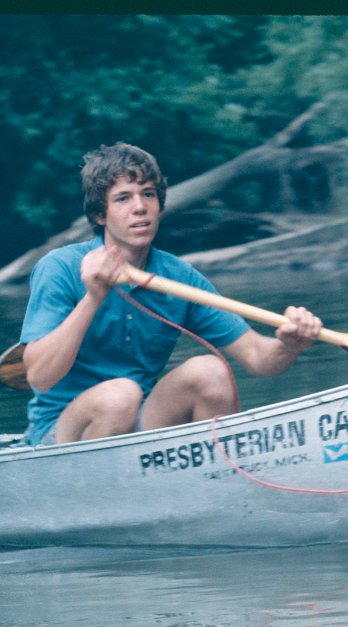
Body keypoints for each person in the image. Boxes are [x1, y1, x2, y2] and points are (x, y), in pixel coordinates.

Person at [19, 142, 324, 446]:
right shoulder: (60, 267)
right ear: (100, 215)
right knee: (120, 395)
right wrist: (93, 296)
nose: (140, 207)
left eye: (148, 194)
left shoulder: (179, 277)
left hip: (138, 422)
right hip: (60, 432)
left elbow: (259, 358)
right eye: (123, 198)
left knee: (210, 372)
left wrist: (289, 345)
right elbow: (39, 376)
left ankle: (218, 484)